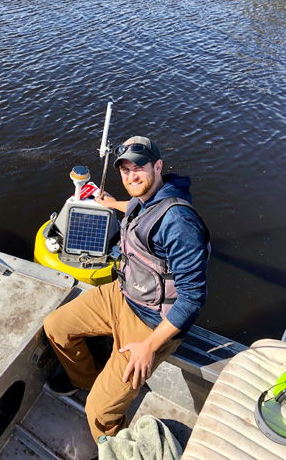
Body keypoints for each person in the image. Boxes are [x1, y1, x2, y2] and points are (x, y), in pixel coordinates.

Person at [43, 136, 210, 444]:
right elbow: (134, 207)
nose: (131, 176)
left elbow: (193, 297)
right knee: (56, 326)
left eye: (139, 168)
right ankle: (87, 379)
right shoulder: (145, 197)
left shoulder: (178, 222)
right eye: (125, 169)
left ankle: (115, 446)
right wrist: (111, 204)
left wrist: (148, 346)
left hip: (151, 323)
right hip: (122, 294)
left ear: (157, 166)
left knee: (98, 411)